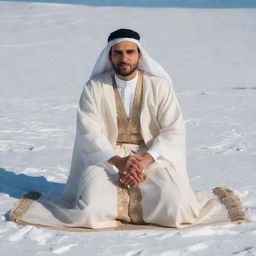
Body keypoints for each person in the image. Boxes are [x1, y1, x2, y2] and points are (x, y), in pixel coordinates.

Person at [10, 29, 246, 230]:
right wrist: (120, 162)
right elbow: (88, 132)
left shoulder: (159, 86)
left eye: (129, 52)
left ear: (139, 55)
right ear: (110, 56)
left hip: (153, 156)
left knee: (176, 210)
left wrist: (142, 161)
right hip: (106, 156)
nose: (124, 58)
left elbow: (173, 130)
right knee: (90, 212)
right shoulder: (94, 86)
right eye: (118, 52)